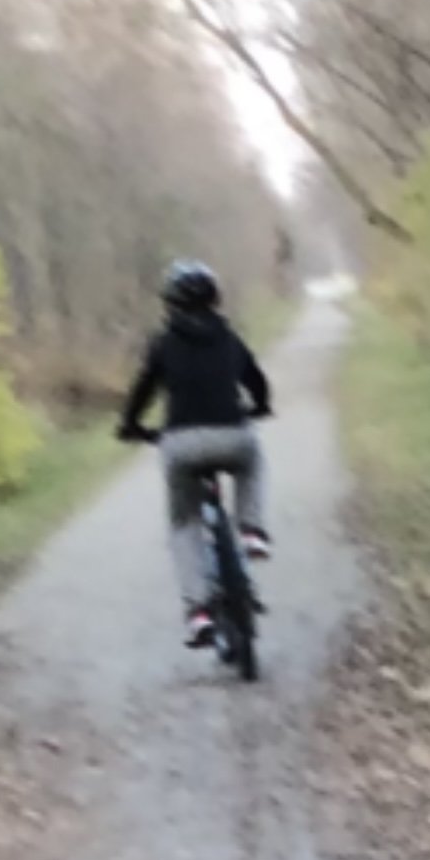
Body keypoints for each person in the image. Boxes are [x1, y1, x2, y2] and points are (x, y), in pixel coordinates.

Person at [118, 260, 273, 648]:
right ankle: (252, 531)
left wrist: (131, 425)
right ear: (215, 300)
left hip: (181, 443)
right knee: (252, 463)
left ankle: (199, 611)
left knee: (184, 525)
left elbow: (143, 389)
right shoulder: (228, 337)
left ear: (170, 303)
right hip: (233, 434)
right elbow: (255, 379)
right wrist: (261, 405)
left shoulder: (163, 342)